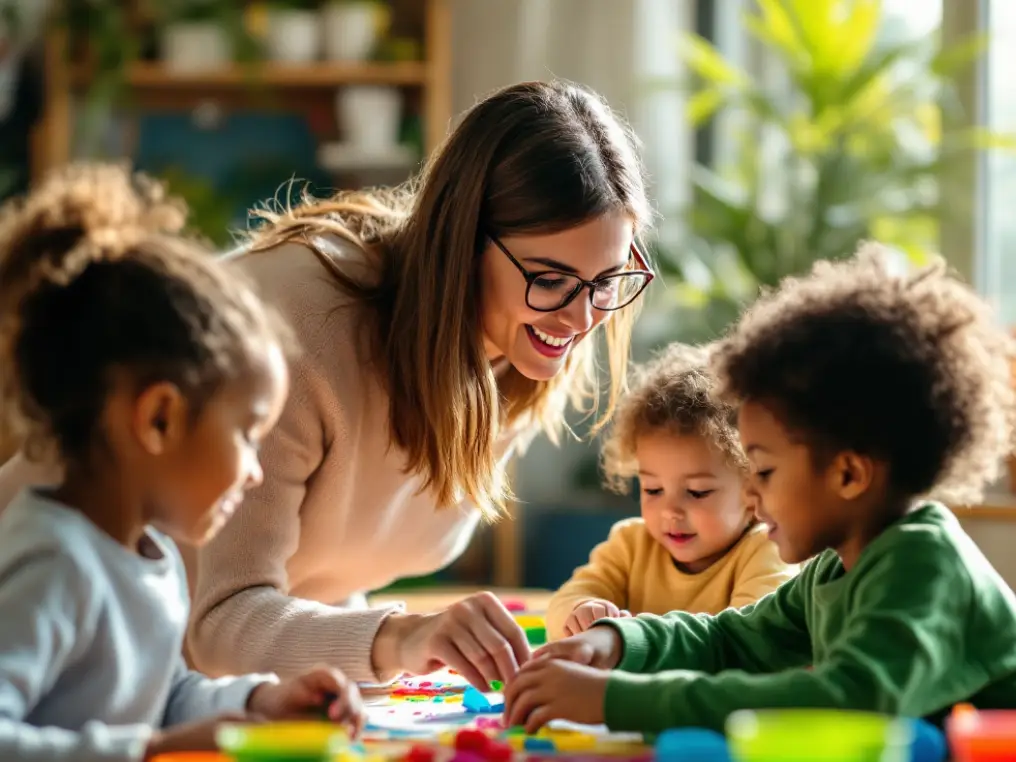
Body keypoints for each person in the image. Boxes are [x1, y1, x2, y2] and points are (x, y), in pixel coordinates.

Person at [0, 80, 655, 690]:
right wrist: (399, 638)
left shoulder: (526, 348)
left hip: (159, 686)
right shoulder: (301, 327)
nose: (582, 317)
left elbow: (318, 561)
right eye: (550, 279)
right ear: (463, 242)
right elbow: (220, 619)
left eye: (607, 280)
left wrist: (388, 642)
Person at [504, 244, 1016, 733]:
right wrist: (616, 642)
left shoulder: (923, 565)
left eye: (764, 472)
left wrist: (612, 701)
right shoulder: (834, 567)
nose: (750, 497)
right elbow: (733, 638)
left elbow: (846, 703)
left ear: (848, 475)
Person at [0, 164, 365, 762]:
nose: (253, 470)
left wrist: (256, 703)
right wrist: (151, 749)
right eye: (247, 434)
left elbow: (164, 693)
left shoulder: (152, 555)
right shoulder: (53, 560)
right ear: (160, 419)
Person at [545, 343, 796, 641]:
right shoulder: (630, 546)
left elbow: (750, 638)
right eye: (653, 489)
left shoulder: (767, 548)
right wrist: (583, 610)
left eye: (697, 492)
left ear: (753, 489)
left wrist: (645, 640)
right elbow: (560, 607)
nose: (670, 511)